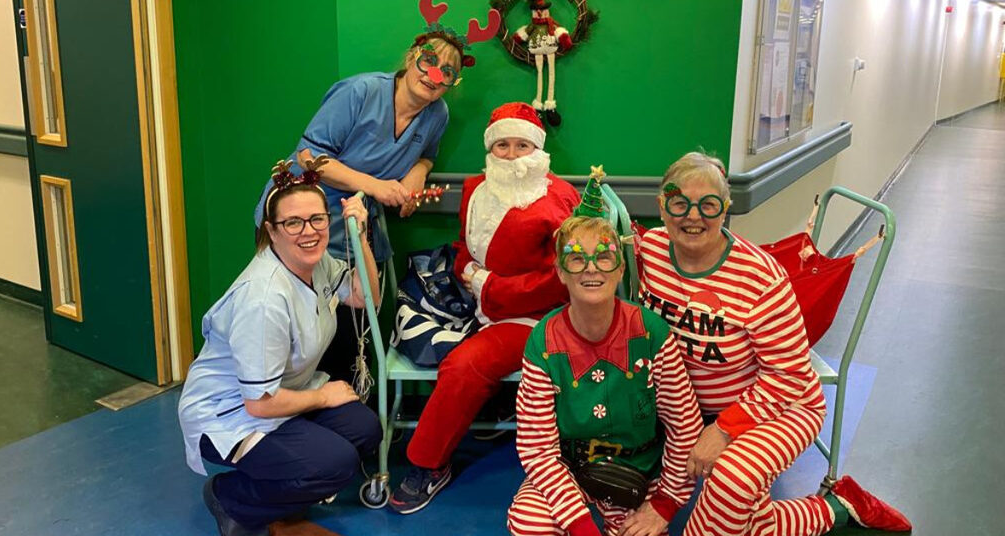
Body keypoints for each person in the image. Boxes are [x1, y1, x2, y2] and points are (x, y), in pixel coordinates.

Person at [637, 152, 912, 535]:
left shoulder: (759, 277)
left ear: (726, 209)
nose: (693, 216)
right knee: (746, 522)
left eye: (709, 205)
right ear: (662, 207)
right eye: (679, 202)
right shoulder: (650, 250)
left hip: (784, 406)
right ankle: (838, 508)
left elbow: (789, 376)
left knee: (730, 482)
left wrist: (724, 430)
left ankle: (832, 507)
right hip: (693, 411)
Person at [252, 4, 497, 383]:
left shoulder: (438, 114)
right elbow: (310, 156)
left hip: (356, 228)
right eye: (428, 62)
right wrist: (376, 186)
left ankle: (345, 414)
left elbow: (427, 155)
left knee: (352, 333)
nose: (434, 76)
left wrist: (415, 176)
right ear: (411, 58)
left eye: (448, 72)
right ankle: (291, 420)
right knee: (296, 332)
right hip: (301, 220)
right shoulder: (361, 92)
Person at [388, 102, 580, 514]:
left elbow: (561, 279)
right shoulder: (476, 187)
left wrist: (489, 287)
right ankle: (492, 401)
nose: (511, 155)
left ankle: (428, 464)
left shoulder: (561, 198)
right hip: (477, 302)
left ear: (540, 149)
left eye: (522, 145)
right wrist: (469, 274)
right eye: (503, 146)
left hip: (535, 317)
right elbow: (463, 245)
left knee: (464, 365)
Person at [179, 162, 382, 536]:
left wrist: (361, 238)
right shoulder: (264, 298)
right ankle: (231, 498)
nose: (308, 232)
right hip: (229, 412)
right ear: (271, 231)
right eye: (293, 223)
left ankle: (281, 500)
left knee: (364, 429)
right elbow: (259, 403)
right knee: (335, 464)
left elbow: (362, 296)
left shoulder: (316, 264)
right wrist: (322, 397)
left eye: (317, 219)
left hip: (282, 394)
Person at [506, 176, 705, 536]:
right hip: (572, 469)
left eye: (604, 257)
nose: (592, 268)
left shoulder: (650, 333)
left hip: (640, 472)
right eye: (577, 260)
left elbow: (684, 427)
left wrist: (664, 505)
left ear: (621, 268)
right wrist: (580, 525)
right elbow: (537, 448)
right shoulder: (544, 341)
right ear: (561, 272)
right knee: (528, 523)